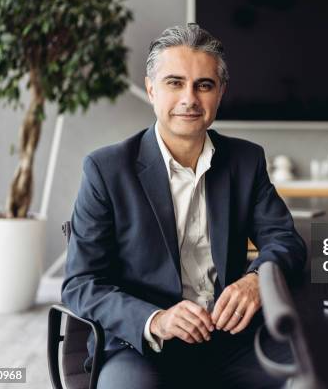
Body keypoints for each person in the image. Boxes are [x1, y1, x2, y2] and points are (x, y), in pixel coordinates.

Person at [61, 23, 307, 388]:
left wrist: (256, 281)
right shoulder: (106, 169)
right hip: (141, 346)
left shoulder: (245, 160)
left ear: (220, 93)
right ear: (151, 90)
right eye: (174, 83)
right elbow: (80, 283)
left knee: (314, 375)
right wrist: (155, 320)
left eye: (203, 85)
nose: (189, 98)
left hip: (233, 339)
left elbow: (286, 241)